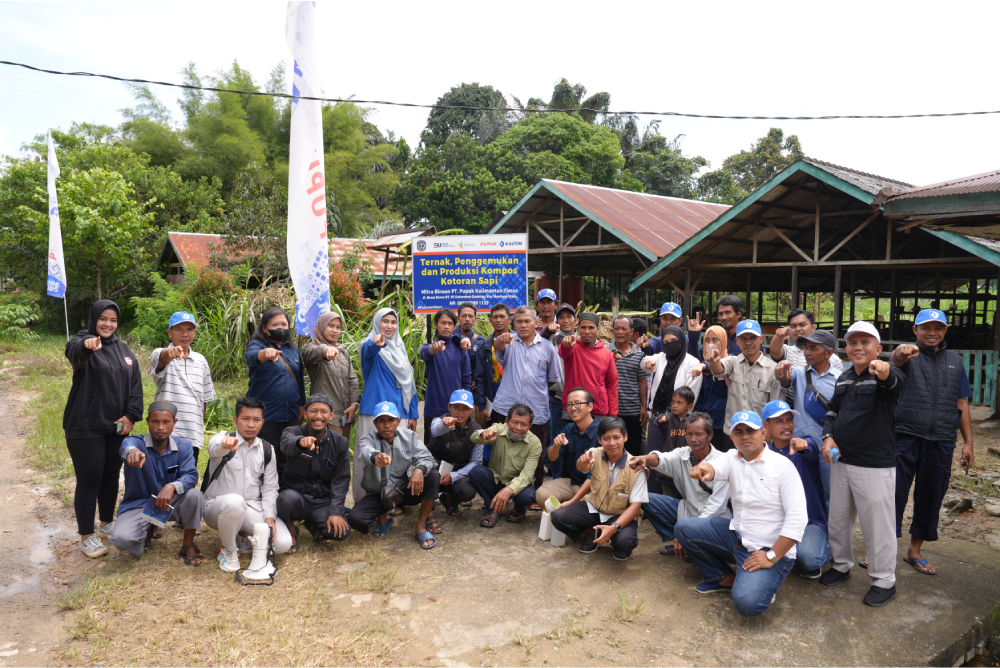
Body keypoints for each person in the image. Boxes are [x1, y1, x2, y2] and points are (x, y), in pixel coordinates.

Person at [674, 411, 807, 616]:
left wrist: (771, 556)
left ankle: (766, 579)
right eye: (739, 432)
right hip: (737, 537)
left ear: (763, 433)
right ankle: (720, 577)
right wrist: (703, 468)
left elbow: (798, 518)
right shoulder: (731, 457)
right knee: (684, 527)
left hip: (769, 548)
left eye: (750, 431)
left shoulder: (782, 467)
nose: (745, 436)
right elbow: (713, 467)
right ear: (732, 437)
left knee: (748, 604)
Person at [820, 321, 904, 607]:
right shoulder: (843, 378)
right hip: (842, 461)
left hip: (875, 465)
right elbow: (832, 411)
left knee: (877, 525)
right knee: (839, 519)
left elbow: (894, 381)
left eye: (865, 342)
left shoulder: (885, 375)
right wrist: (828, 437)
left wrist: (886, 370)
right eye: (852, 342)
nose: (857, 347)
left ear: (878, 349)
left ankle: (884, 581)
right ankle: (841, 566)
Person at [890, 309, 974, 576]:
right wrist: (901, 353)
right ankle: (881, 548)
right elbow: (894, 361)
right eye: (926, 327)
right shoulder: (908, 356)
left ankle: (914, 550)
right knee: (893, 494)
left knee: (931, 495)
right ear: (915, 330)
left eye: (938, 328)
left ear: (945, 331)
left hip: (941, 440)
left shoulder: (955, 361)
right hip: (905, 435)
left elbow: (962, 402)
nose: (932, 333)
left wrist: (968, 443)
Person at [63, 299, 143, 558]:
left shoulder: (124, 350)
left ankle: (106, 523)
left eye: (113, 320)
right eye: (103, 319)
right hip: (85, 426)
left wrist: (131, 415)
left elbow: (135, 386)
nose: (108, 324)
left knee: (110, 476)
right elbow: (74, 351)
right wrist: (87, 347)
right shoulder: (83, 341)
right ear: (94, 319)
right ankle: (86, 536)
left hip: (116, 427)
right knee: (89, 480)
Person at [108, 401, 204, 565]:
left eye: (166, 422)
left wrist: (171, 486)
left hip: (171, 503)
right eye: (155, 421)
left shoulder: (184, 446)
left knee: (195, 495)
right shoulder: (136, 443)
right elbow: (127, 447)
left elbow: (191, 475)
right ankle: (147, 531)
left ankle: (188, 543)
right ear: (147, 421)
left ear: (175, 422)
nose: (160, 427)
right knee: (121, 539)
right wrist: (133, 453)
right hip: (140, 504)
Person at [204, 396, 293, 572]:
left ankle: (243, 540)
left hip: (252, 507)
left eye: (256, 420)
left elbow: (270, 488)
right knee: (235, 502)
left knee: (282, 543)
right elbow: (213, 446)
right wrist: (224, 443)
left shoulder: (267, 450)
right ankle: (228, 550)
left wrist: (269, 517)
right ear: (236, 420)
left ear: (262, 423)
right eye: (245, 419)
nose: (251, 424)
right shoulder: (224, 439)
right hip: (218, 508)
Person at [629, 412, 730, 557]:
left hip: (713, 519)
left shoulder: (722, 461)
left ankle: (686, 542)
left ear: (710, 436)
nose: (693, 439)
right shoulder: (682, 454)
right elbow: (662, 459)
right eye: (689, 434)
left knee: (691, 555)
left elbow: (717, 507)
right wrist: (645, 458)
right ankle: (678, 541)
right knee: (646, 498)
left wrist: (688, 532)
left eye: (699, 434)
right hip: (688, 511)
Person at [550, 417, 648, 561]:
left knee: (625, 542)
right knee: (558, 516)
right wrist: (582, 462)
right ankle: (593, 532)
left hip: (618, 515)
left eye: (616, 437)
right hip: (594, 508)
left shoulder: (637, 467)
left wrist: (614, 528)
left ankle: (615, 540)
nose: (612, 443)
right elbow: (582, 467)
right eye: (606, 438)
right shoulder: (595, 453)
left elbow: (635, 507)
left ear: (625, 437)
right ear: (599, 439)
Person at [346, 402, 441, 549]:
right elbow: (365, 452)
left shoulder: (409, 436)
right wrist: (375, 456)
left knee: (433, 475)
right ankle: (383, 518)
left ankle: (421, 526)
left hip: (406, 489)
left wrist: (419, 470)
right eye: (381, 420)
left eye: (391, 420)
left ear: (398, 420)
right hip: (380, 495)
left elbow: (427, 459)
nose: (386, 425)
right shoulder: (367, 438)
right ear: (375, 423)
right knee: (355, 519)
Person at [491, 306, 561, 491]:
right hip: (507, 405)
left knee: (535, 452)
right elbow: (497, 346)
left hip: (536, 409)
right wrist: (501, 339)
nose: (523, 325)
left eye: (527, 321)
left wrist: (535, 390)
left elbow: (553, 379)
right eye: (519, 321)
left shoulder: (547, 347)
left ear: (536, 322)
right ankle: (498, 491)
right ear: (513, 323)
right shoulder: (509, 341)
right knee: (501, 451)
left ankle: (533, 493)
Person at [357, 308, 419, 501]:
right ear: (377, 323)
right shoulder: (369, 347)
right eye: (385, 321)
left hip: (399, 413)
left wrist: (413, 414)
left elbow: (409, 384)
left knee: (397, 460)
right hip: (373, 413)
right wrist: (374, 343)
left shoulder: (400, 350)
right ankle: (366, 500)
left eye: (393, 321)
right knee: (371, 456)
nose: (390, 326)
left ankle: (393, 500)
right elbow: (368, 350)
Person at [277, 394, 352, 553]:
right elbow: (286, 444)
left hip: (321, 500)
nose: (318, 416)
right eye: (313, 411)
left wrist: (336, 511)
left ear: (331, 415)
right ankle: (291, 529)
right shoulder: (292, 431)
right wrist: (300, 442)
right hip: (295, 497)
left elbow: (341, 479)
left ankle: (312, 523)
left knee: (341, 533)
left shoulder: (340, 443)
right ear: (305, 413)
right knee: (285, 500)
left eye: (324, 412)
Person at [762, 400, 829, 579]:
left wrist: (803, 445)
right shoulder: (764, 455)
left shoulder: (801, 446)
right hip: (779, 522)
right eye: (779, 421)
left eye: (789, 420)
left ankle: (826, 546)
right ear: (765, 425)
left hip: (809, 520)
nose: (786, 425)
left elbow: (810, 446)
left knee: (808, 560)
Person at [774, 329, 842, 505]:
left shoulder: (840, 379)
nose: (807, 352)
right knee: (799, 492)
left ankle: (827, 530)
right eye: (806, 348)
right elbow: (786, 379)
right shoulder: (799, 373)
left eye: (813, 348)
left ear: (829, 353)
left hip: (831, 446)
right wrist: (783, 374)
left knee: (831, 493)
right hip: (800, 446)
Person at [245, 307, 306, 485]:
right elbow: (251, 357)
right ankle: (261, 497)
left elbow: (300, 380)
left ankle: (284, 497)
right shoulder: (257, 344)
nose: (280, 327)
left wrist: (301, 408)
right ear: (265, 328)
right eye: (275, 324)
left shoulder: (293, 349)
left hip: (291, 414)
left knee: (288, 457)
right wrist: (265, 354)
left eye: (284, 324)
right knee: (265, 457)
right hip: (266, 416)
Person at [150, 311, 216, 465]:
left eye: (189, 329)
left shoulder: (201, 360)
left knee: (187, 479)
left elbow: (204, 399)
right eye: (179, 329)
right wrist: (170, 353)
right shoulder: (159, 354)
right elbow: (162, 358)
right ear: (169, 333)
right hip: (166, 432)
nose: (184, 334)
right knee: (163, 476)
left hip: (193, 434)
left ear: (194, 332)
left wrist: (199, 428)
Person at [706, 320, 782, 442]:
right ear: (737, 341)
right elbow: (719, 369)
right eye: (743, 338)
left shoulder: (773, 369)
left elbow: (774, 408)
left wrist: (768, 436)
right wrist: (713, 361)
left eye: (753, 338)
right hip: (732, 432)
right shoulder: (732, 362)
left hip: (758, 434)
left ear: (761, 339)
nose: (748, 342)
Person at [469, 404, 542, 527]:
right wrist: (483, 434)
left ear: (530, 426)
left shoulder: (535, 443)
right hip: (496, 479)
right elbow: (473, 437)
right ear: (507, 421)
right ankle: (493, 509)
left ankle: (519, 509)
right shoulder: (498, 430)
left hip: (518, 484)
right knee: (475, 472)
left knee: (527, 496)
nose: (518, 428)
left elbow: (527, 475)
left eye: (524, 424)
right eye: (514, 422)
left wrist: (509, 489)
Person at [643, 325, 703, 459]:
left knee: (675, 458)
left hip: (679, 419)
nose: (670, 345)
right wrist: (648, 361)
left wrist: (674, 417)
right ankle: (652, 481)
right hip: (657, 416)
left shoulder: (692, 363)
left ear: (682, 340)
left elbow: (690, 395)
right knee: (654, 456)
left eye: (674, 340)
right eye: (666, 342)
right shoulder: (660, 358)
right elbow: (645, 363)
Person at [301, 310, 359, 438]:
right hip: (324, 417)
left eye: (338, 327)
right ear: (321, 327)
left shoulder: (342, 351)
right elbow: (310, 354)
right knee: (325, 454)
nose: (335, 330)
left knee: (342, 452)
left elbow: (352, 380)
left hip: (345, 415)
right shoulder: (311, 348)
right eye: (330, 325)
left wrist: (354, 404)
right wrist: (325, 350)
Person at [536, 388, 598, 507]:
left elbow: (593, 477)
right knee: (541, 494)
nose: (573, 408)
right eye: (569, 404)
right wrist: (556, 446)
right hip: (572, 483)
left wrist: (573, 501)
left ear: (590, 406)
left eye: (578, 403)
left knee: (589, 505)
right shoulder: (569, 429)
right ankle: (571, 508)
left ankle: (571, 507)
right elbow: (551, 459)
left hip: (594, 488)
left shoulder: (601, 432)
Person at [419, 308, 472, 444]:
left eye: (450, 323)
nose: (446, 326)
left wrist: (466, 407)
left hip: (456, 410)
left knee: (455, 449)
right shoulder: (429, 348)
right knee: (432, 450)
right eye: (443, 323)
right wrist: (434, 348)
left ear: (455, 326)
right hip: (434, 409)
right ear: (436, 325)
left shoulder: (461, 349)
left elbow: (466, 379)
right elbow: (426, 353)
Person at [427, 390, 482, 516]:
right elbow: (435, 430)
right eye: (456, 407)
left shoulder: (477, 430)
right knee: (424, 476)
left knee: (468, 492)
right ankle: (427, 512)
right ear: (449, 407)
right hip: (434, 468)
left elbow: (476, 461)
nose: (460, 412)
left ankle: (450, 499)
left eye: (465, 408)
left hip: (456, 471)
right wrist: (444, 424)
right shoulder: (439, 420)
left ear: (472, 409)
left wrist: (454, 476)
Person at [559, 312, 618, 421]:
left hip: (599, 410)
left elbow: (612, 384)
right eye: (583, 327)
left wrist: (613, 413)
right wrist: (564, 343)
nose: (587, 331)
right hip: (573, 409)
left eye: (591, 328)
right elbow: (563, 351)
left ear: (598, 329)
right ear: (578, 328)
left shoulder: (606, 354)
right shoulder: (572, 347)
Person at [684, 324, 732, 452]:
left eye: (715, 340)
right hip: (702, 422)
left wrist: (703, 366)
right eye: (707, 340)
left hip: (721, 424)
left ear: (723, 341)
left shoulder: (730, 362)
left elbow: (717, 366)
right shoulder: (699, 361)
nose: (711, 343)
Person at [606, 315, 649, 453]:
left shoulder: (639, 354)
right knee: (612, 447)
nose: (619, 332)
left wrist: (643, 407)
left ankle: (632, 475)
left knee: (633, 448)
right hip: (611, 410)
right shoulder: (605, 352)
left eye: (623, 329)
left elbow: (642, 381)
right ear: (612, 331)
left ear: (631, 331)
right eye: (616, 328)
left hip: (633, 410)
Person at [647, 386, 696, 496]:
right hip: (668, 469)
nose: (674, 405)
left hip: (685, 468)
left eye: (679, 403)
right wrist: (662, 419)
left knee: (684, 496)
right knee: (667, 496)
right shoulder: (669, 418)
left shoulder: (692, 422)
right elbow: (663, 419)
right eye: (673, 402)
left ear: (689, 406)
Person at [473, 303, 512, 430]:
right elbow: (480, 378)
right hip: (494, 402)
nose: (499, 320)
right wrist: (482, 406)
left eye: (502, 316)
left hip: (515, 401)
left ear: (510, 319)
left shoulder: (519, 342)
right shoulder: (484, 346)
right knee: (493, 440)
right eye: (495, 317)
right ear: (490, 321)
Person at [768, 309, 844, 374]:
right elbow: (775, 351)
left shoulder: (833, 359)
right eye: (793, 326)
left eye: (802, 325)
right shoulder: (787, 351)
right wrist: (779, 335)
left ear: (813, 327)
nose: (798, 329)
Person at [548, 303, 578, 443]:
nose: (565, 320)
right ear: (557, 321)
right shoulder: (551, 340)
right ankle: (556, 466)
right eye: (561, 317)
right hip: (557, 399)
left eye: (569, 317)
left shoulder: (582, 339)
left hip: (579, 400)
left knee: (576, 440)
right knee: (557, 440)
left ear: (575, 320)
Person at [457, 302, 485, 386]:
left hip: (471, 390)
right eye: (464, 316)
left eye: (470, 316)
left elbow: (483, 367)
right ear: (458, 318)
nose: (467, 319)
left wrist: (478, 381)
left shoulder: (480, 341)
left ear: (475, 319)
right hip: (452, 386)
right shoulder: (449, 338)